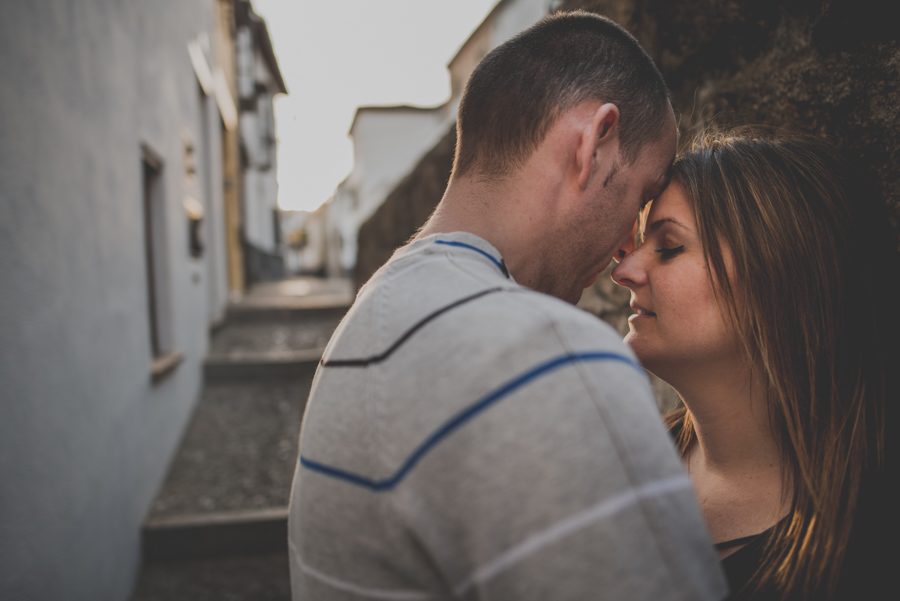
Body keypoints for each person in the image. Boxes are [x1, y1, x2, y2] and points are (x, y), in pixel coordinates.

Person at [288, 11, 727, 601]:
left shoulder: (369, 318)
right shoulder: (553, 359)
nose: (629, 244)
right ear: (593, 145)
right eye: (642, 196)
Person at [612, 128, 897, 600]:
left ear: (780, 277)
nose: (623, 271)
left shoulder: (874, 536)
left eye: (668, 247)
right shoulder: (618, 472)